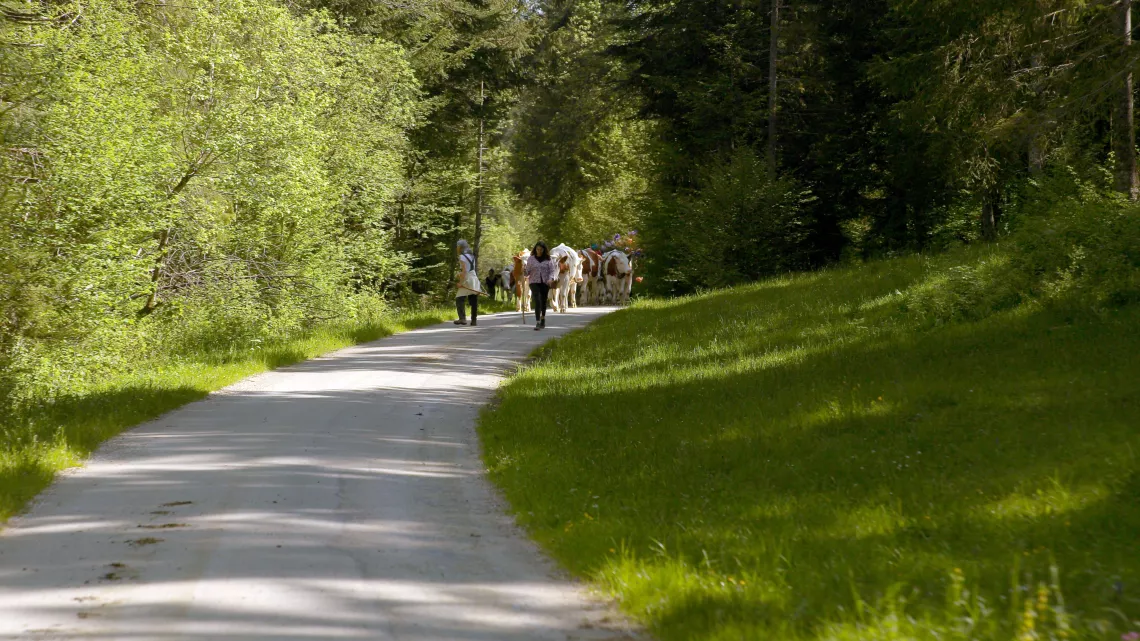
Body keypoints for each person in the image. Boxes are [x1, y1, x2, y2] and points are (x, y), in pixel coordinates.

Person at [525, 241, 558, 330]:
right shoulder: (531, 259)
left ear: (544, 250)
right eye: (537, 249)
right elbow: (527, 271)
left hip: (545, 282)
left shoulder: (548, 259)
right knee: (537, 299)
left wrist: (550, 279)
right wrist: (523, 273)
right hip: (533, 281)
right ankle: (538, 322)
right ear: (535, 249)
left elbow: (552, 270)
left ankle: (543, 318)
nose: (539, 251)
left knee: (543, 301)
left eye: (541, 250)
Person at [454, 239, 481, 326]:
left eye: (458, 247)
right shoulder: (472, 256)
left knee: (459, 298)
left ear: (461, 247)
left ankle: (462, 318)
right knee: (473, 300)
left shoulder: (462, 257)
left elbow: (465, 271)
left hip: (467, 278)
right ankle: (474, 320)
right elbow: (470, 269)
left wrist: (461, 282)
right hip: (474, 278)